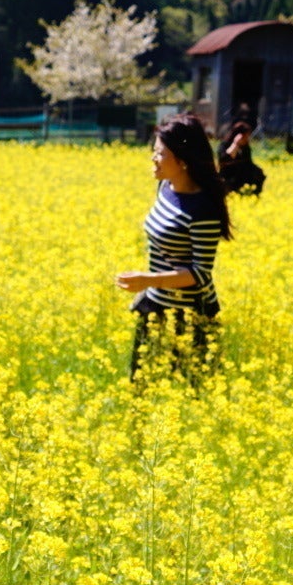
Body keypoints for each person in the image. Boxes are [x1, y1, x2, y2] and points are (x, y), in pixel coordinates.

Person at [117, 112, 232, 384]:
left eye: (160, 153)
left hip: (190, 318)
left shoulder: (203, 209)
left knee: (191, 396)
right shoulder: (164, 187)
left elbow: (200, 274)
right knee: (140, 391)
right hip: (155, 307)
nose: (153, 158)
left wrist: (147, 280)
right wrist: (149, 286)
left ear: (182, 161)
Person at [218, 120, 265, 196]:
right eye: (246, 136)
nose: (247, 139)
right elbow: (224, 159)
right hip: (229, 175)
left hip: (242, 175)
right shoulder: (225, 145)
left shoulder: (245, 148)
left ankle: (254, 195)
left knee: (259, 173)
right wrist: (235, 144)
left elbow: (249, 162)